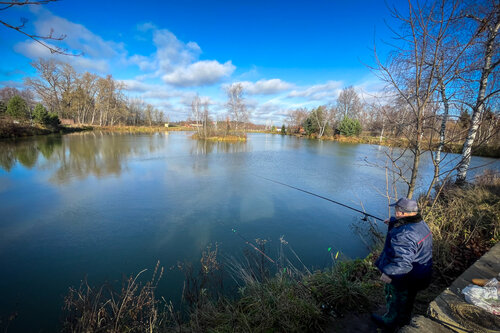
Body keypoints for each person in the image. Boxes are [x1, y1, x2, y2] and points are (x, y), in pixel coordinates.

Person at [371, 197, 433, 331]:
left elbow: (402, 264)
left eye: (397, 209)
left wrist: (388, 274)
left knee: (395, 298)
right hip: (420, 274)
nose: (395, 211)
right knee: (408, 300)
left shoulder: (404, 235)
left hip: (406, 277)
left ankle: (389, 324)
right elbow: (409, 231)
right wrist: (394, 222)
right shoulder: (420, 224)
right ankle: (404, 320)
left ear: (402, 212)